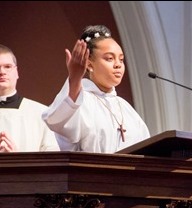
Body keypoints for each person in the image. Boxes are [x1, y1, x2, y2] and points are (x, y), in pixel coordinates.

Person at [42, 25, 150, 153]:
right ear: (89, 64)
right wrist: (75, 78)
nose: (118, 65)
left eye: (121, 59)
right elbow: (56, 120)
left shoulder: (126, 108)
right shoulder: (81, 100)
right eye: (109, 58)